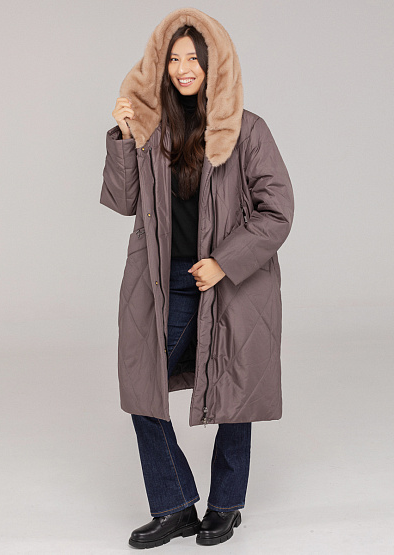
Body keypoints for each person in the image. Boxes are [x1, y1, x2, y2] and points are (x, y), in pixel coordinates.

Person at [100, 7, 294, 549]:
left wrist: (225, 261)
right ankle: (175, 505)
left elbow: (277, 211)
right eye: (174, 59)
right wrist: (123, 136)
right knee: (142, 385)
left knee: (236, 390)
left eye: (193, 59)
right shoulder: (152, 129)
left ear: (214, 65)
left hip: (233, 283)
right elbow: (123, 201)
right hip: (164, 281)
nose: (183, 69)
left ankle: (226, 506)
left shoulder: (249, 129)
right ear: (160, 66)